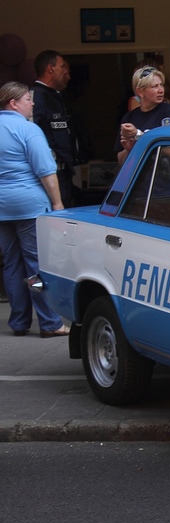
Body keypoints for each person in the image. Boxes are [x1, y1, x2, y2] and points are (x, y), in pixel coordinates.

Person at [0, 81, 69, 338]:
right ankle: (49, 322)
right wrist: (57, 203)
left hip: (1, 208)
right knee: (36, 264)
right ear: (13, 103)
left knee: (11, 264)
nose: (32, 103)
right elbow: (46, 170)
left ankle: (19, 322)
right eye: (28, 99)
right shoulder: (28, 129)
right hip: (29, 206)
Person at [31, 50, 76, 207]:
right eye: (62, 66)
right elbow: (31, 135)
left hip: (64, 172)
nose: (66, 73)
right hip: (48, 173)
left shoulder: (57, 96)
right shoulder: (35, 97)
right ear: (50, 69)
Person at [116, 66, 170, 165]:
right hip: (141, 173)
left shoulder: (168, 111)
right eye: (155, 86)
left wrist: (138, 135)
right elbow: (121, 161)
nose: (161, 90)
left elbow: (169, 150)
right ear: (140, 92)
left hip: (165, 173)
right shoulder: (129, 117)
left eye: (161, 85)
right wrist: (131, 149)